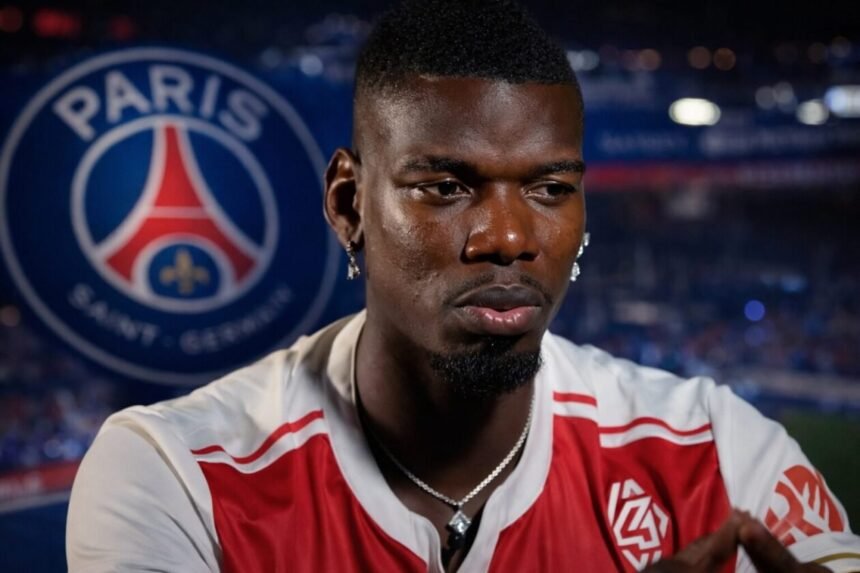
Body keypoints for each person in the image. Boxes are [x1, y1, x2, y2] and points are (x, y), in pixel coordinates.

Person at [67, 0, 860, 571]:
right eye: (445, 187)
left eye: (550, 189)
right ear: (348, 205)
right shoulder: (175, 476)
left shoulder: (718, 452)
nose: (509, 238)